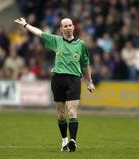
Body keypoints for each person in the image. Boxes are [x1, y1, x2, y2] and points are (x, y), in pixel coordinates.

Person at [14, 17, 95, 152]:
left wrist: (89, 81)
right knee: (61, 114)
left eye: (70, 25)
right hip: (58, 79)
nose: (68, 28)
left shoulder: (81, 44)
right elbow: (39, 32)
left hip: (74, 79)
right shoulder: (56, 40)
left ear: (73, 27)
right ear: (61, 29)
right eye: (66, 26)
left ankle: (73, 141)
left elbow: (85, 64)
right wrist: (26, 25)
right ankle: (64, 141)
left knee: (72, 111)